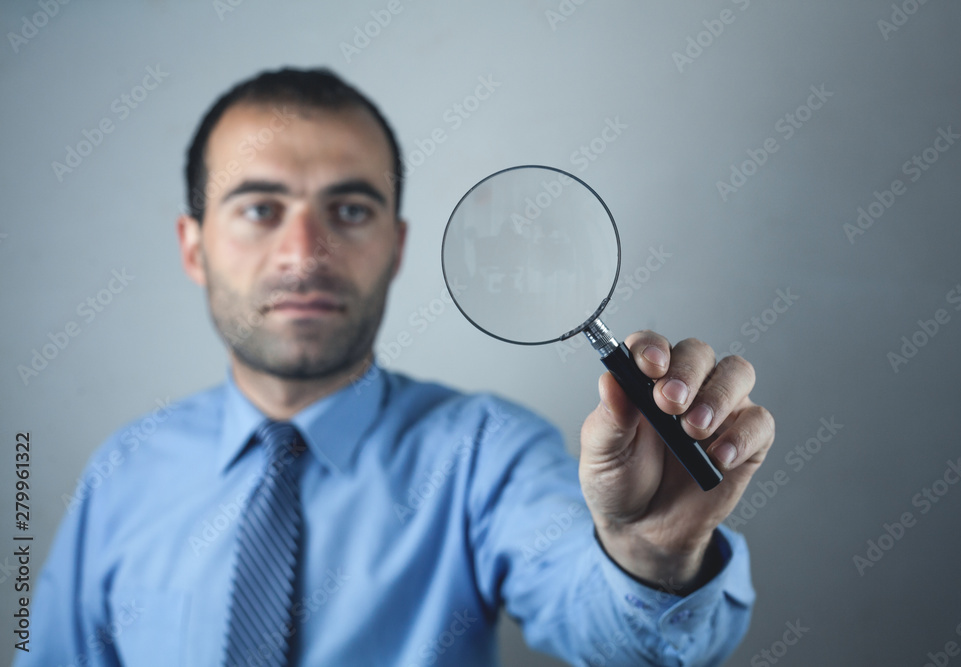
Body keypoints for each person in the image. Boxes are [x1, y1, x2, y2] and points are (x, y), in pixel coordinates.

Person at [19, 67, 774, 667]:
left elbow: (617, 637)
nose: (303, 250)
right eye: (258, 208)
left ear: (398, 245)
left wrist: (650, 553)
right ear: (193, 246)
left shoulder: (488, 453)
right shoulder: (121, 474)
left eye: (349, 209)